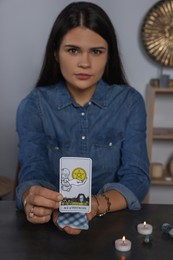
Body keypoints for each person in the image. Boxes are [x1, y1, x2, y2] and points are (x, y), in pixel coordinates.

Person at [16, 1, 150, 235]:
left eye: (96, 51)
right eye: (73, 50)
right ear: (56, 53)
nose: (85, 63)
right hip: (48, 230)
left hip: (113, 228)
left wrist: (95, 205)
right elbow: (31, 175)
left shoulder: (130, 102)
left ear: (109, 55)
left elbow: (136, 178)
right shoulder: (33, 105)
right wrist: (33, 199)